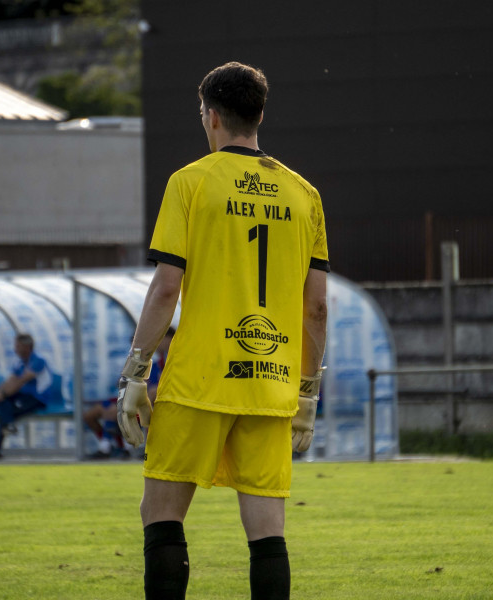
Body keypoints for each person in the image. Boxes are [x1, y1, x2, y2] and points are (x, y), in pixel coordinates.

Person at [116, 62, 329, 600]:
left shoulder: (190, 183)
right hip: (270, 379)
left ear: (211, 116)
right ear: (259, 114)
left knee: (161, 513)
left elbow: (167, 288)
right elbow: (317, 309)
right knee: (266, 529)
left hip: (199, 378)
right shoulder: (305, 195)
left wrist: (137, 371)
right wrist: (307, 390)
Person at [84, 328, 174, 459]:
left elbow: (150, 387)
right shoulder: (144, 361)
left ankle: (112, 447)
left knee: (114, 411)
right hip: (129, 397)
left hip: (143, 401)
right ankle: (114, 446)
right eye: (133, 344)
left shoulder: (162, 361)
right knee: (89, 415)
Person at [0, 333, 53, 459]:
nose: (15, 349)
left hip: (38, 398)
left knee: (3, 413)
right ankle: (8, 427)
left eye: (18, 346)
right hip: (23, 396)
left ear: (27, 347)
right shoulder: (19, 362)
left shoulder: (38, 360)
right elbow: (11, 380)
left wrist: (2, 394)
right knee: (3, 405)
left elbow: (21, 381)